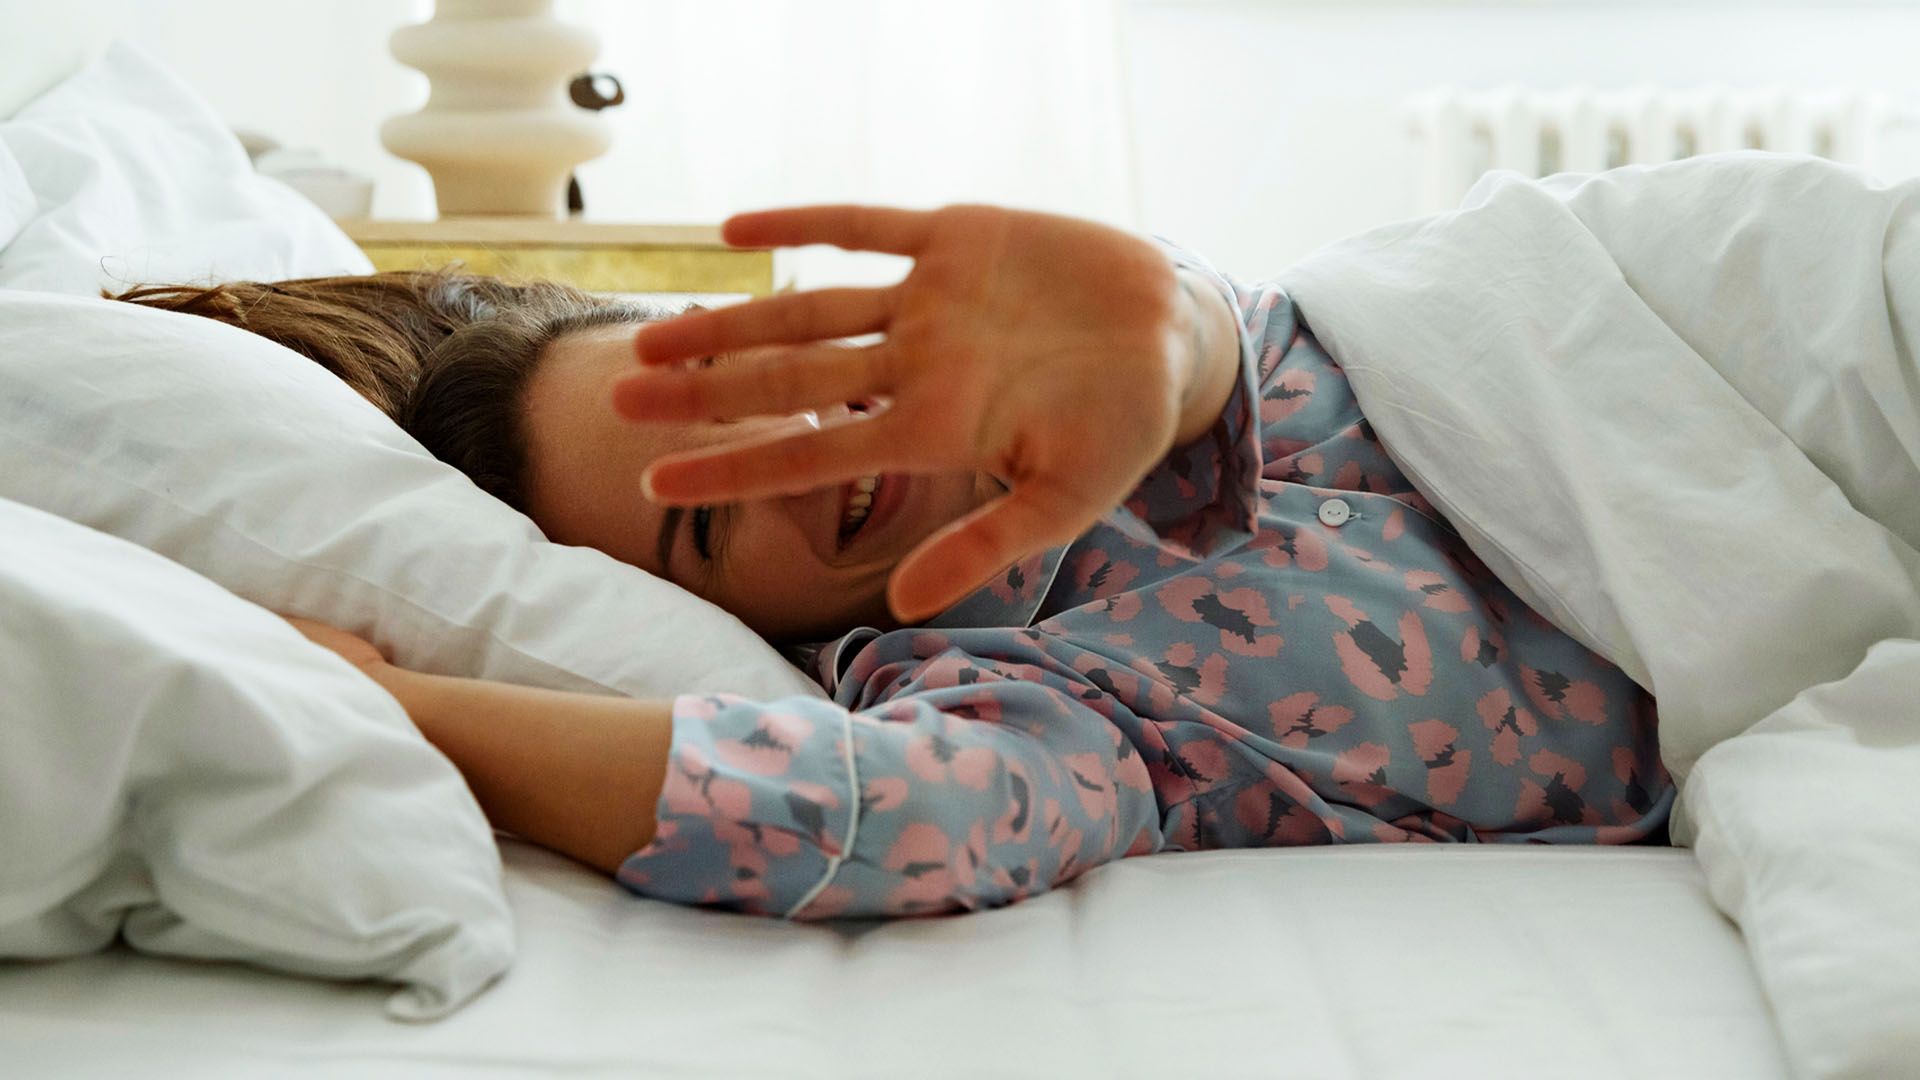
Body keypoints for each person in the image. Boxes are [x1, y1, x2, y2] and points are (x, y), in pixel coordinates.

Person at [115, 203, 1672, 919]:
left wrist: (1178, 333)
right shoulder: (1014, 693)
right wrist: (404, 713)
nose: (811, 457)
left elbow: (1313, 317)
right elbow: (874, 822)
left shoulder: (1144, 351)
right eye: (715, 518)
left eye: (762, 395)